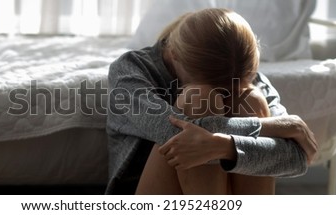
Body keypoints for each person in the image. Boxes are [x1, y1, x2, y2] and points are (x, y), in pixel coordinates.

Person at [106, 8, 317, 195]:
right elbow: (181, 135)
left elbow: (297, 159)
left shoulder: (244, 74)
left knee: (250, 100)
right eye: (221, 91)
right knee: (200, 99)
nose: (224, 98)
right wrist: (281, 126)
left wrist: (225, 146)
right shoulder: (130, 70)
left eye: (229, 91)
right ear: (174, 55)